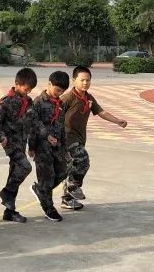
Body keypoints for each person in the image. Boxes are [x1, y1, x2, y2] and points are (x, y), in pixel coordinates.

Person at [60, 65, 129, 210]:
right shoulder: (67, 98)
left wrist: (117, 121)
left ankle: (67, 199)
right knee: (83, 159)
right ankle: (72, 187)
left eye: (88, 80)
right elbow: (55, 114)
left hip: (80, 138)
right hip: (66, 138)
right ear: (74, 81)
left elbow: (101, 112)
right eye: (82, 80)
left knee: (71, 167)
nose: (85, 83)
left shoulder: (89, 98)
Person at [0, 68, 37, 222]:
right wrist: (1, 137)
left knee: (15, 173)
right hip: (11, 143)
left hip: (22, 142)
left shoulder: (29, 101)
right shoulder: (6, 101)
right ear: (17, 84)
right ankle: (6, 192)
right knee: (26, 167)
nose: (28, 92)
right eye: (26, 88)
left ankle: (10, 211)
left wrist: (32, 145)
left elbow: (33, 124)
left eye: (31, 89)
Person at [29, 71, 70, 222]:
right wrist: (32, 146)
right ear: (49, 84)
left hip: (57, 146)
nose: (59, 93)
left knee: (63, 172)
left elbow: (61, 126)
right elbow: (33, 124)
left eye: (62, 91)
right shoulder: (38, 102)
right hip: (42, 147)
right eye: (57, 90)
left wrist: (64, 148)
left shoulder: (61, 104)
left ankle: (40, 190)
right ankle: (49, 208)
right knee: (47, 177)